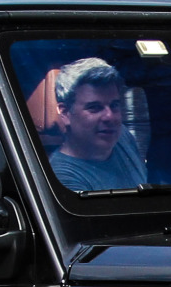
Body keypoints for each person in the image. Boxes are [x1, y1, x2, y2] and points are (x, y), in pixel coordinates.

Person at [46, 57, 147, 191]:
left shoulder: (121, 136)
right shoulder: (63, 178)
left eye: (114, 105)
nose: (109, 116)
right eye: (94, 107)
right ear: (65, 113)